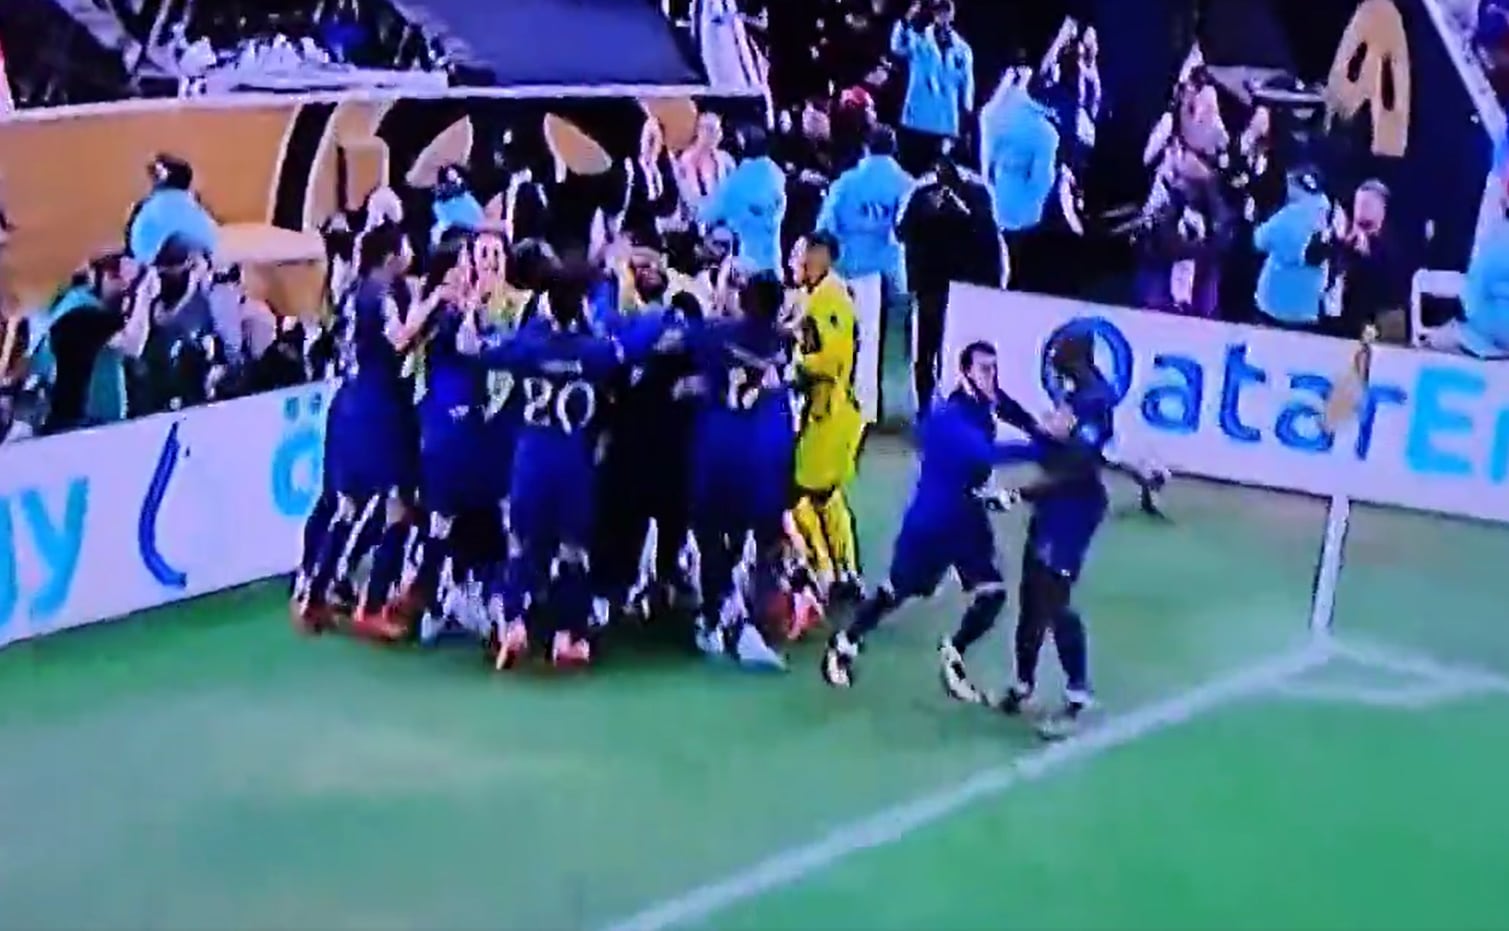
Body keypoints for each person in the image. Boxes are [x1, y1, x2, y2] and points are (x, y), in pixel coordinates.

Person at [820, 340, 1040, 698]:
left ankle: (953, 656)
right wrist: (1045, 447)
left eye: (995, 369)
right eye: (985, 369)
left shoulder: (985, 402)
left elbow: (1008, 409)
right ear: (965, 371)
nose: (992, 377)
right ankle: (844, 642)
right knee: (899, 590)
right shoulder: (949, 419)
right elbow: (987, 453)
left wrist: (1038, 428)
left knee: (992, 592)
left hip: (966, 519)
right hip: (934, 523)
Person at [465, 259, 625, 669]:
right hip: (574, 462)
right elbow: (622, 362)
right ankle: (567, 637)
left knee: (521, 544)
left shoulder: (527, 344)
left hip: (532, 458)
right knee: (573, 551)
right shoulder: (594, 351)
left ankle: (515, 622)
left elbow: (474, 349)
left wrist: (472, 309)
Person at [296, 223, 437, 640]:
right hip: (380, 411)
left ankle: (314, 595)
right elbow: (398, 341)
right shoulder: (382, 293)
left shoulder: (354, 291)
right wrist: (433, 304)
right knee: (396, 503)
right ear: (392, 254)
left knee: (347, 504)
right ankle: (371, 606)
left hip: (349, 403)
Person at [993, 325, 1118, 739]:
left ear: (1077, 357)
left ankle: (1078, 695)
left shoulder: (1095, 403)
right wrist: (1001, 402)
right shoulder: (1074, 394)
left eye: (1060, 356)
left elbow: (1077, 469)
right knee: (1030, 593)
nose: (1054, 362)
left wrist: (1018, 493)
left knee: (1054, 598)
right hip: (1052, 506)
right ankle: (1023, 683)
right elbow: (1049, 441)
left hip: (1074, 511)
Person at [686, 270, 794, 670]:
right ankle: (742, 609)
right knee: (746, 534)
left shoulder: (716, 333)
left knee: (710, 533)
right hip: (759, 456)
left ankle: (716, 616)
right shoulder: (781, 344)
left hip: (717, 450)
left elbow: (686, 338)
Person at [815, 125, 913, 424]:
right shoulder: (907, 184)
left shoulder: (846, 183)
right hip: (893, 275)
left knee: (849, 339)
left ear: (866, 148)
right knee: (884, 346)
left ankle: (846, 401)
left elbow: (825, 226)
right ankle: (876, 409)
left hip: (851, 271)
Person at [789, 232, 865, 606]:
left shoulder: (831, 298)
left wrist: (793, 365)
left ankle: (829, 572)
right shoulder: (816, 296)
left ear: (821, 257)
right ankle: (845, 571)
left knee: (803, 493)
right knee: (824, 496)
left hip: (830, 413)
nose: (797, 261)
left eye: (802, 254)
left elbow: (832, 360)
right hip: (824, 412)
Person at [899, 151, 1001, 413]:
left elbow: (986, 238)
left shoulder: (976, 197)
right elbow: (903, 232)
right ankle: (925, 410)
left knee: (956, 350)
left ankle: (957, 409)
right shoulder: (924, 197)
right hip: (934, 286)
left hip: (961, 289)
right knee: (928, 352)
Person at [40, 253, 153, 433]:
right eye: (117, 278)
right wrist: (144, 293)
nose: (125, 288)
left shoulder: (79, 301)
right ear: (99, 276)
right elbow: (133, 344)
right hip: (83, 424)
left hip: (89, 421)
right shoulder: (84, 310)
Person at [980, 70, 1060, 293]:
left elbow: (988, 163)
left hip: (995, 204)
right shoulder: (1046, 133)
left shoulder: (997, 116)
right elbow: (1043, 180)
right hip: (1027, 214)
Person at [891, 0, 974, 175]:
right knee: (911, 174)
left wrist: (965, 123)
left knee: (938, 179)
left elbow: (967, 87)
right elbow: (897, 47)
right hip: (916, 123)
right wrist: (907, 20)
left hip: (944, 125)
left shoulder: (963, 50)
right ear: (933, 13)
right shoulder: (918, 41)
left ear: (952, 13)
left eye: (946, 10)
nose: (942, 15)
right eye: (938, 10)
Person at [700, 126, 787, 275]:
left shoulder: (739, 181)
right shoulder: (776, 174)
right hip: (775, 265)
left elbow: (707, 213)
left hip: (749, 268)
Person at [1253, 168, 1331, 330]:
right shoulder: (1329, 214)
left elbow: (1260, 240)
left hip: (1277, 304)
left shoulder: (1288, 215)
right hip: (1309, 305)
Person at [127, 154, 219, 266]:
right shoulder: (198, 206)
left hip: (155, 269)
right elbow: (212, 238)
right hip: (198, 263)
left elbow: (132, 250)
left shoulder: (144, 206)